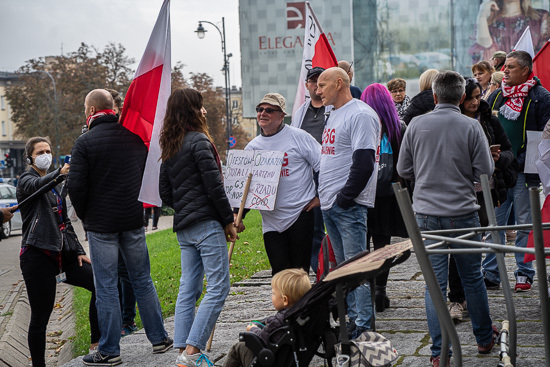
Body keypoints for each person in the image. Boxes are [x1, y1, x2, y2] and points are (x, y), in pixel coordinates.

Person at [397, 71, 498, 367]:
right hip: (463, 212)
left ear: (435, 96)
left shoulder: (416, 124)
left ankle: (439, 352)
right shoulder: (471, 126)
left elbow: (404, 168)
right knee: (472, 278)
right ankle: (483, 338)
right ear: (463, 97)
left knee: (434, 284)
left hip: (427, 213)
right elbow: (485, 169)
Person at [69, 89, 172, 366]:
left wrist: (86, 214)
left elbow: (76, 186)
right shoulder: (135, 137)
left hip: (101, 225)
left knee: (106, 286)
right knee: (142, 279)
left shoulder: (84, 143)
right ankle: (160, 338)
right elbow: (145, 175)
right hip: (132, 220)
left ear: (90, 111)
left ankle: (110, 350)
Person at [158, 88, 236, 366]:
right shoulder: (200, 142)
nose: (204, 111)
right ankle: (193, 351)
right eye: (201, 106)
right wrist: (228, 221)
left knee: (188, 286)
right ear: (192, 110)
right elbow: (215, 186)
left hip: (184, 226)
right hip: (206, 224)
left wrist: (184, 206)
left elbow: (164, 192)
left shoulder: (170, 144)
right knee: (219, 286)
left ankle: (182, 352)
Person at [17, 136, 99, 367]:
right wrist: (60, 174)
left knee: (99, 285)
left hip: (65, 255)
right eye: (40, 152)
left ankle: (96, 343)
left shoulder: (56, 186)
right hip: (38, 256)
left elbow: (65, 221)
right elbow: (36, 186)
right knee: (41, 317)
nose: (46, 155)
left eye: (48, 150)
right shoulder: (26, 179)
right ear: (30, 157)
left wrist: (80, 250)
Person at [316, 67, 380, 336]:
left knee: (358, 270)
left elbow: (364, 162)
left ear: (339, 83)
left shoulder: (360, 114)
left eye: (322, 84)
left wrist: (345, 197)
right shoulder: (334, 114)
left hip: (348, 206)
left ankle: (364, 329)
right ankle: (353, 323)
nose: (317, 91)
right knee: (344, 272)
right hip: (332, 205)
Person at [447, 78, 515, 321]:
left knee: (474, 246)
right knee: (458, 247)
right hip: (457, 192)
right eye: (471, 97)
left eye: (478, 96)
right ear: (460, 98)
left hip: (485, 192)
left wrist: (498, 159)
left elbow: (509, 152)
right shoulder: (452, 122)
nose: (476, 101)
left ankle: (473, 296)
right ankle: (457, 298)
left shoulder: (488, 120)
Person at [483, 50, 550, 291]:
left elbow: (545, 136)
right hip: (498, 172)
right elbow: (486, 128)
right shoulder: (496, 96)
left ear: (525, 70)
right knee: (495, 224)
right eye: (505, 66)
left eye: (511, 67)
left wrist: (516, 159)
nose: (505, 70)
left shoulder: (541, 97)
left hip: (525, 172)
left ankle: (524, 272)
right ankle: (491, 272)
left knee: (524, 224)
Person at [240, 93, 321, 275]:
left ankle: (302, 304)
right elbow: (244, 188)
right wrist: (237, 216)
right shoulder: (252, 148)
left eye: (269, 110)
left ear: (281, 115)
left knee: (299, 272)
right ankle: (286, 304)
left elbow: (324, 165)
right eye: (260, 109)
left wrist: (320, 197)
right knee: (279, 272)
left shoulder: (299, 137)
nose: (263, 113)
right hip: (272, 221)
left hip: (300, 213)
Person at [360, 84, 408, 313]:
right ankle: (380, 291)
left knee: (361, 243)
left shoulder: (362, 124)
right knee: (382, 245)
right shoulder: (398, 127)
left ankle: (364, 288)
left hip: (363, 192)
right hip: (389, 195)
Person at [222, 268, 312, 367]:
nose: (271, 296)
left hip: (269, 360)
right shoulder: (304, 316)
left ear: (285, 300)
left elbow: (262, 338)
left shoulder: (280, 321)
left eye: (273, 293)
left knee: (238, 347)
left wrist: (253, 329)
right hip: (288, 357)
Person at [105, 87, 138, 338]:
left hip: (126, 214)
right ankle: (117, 323)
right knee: (112, 276)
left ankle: (128, 320)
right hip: (107, 218)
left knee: (129, 275)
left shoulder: (128, 134)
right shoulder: (95, 134)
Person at [291, 67, 331, 273]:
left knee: (333, 227)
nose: (316, 85)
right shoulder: (300, 113)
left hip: (331, 173)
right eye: (312, 81)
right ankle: (321, 275)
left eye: (320, 81)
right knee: (314, 229)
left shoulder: (334, 109)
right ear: (307, 85)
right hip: (307, 176)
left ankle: (336, 273)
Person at [471, 0, 550, 63]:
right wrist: (482, 17)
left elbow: (543, 57)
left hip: (531, 79)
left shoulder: (541, 17)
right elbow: (485, 59)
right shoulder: (487, 21)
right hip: (498, 80)